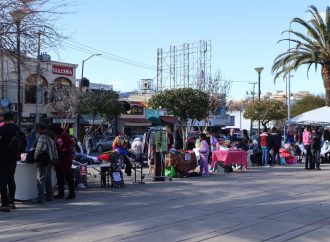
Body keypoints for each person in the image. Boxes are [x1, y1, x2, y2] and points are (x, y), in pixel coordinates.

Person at [0, 111, 20, 211]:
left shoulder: (2, 129)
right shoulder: (18, 128)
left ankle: (4, 204)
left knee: (2, 181)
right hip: (13, 158)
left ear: (4, 118)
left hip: (2, 158)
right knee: (11, 179)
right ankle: (11, 202)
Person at [34, 123, 58, 203]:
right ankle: (49, 196)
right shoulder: (51, 136)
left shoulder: (42, 137)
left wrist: (35, 157)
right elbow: (55, 149)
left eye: (36, 129)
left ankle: (40, 198)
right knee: (48, 179)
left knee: (40, 180)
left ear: (39, 129)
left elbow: (39, 149)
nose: (36, 131)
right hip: (50, 161)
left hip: (43, 161)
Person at [50, 125, 75, 199]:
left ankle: (71, 193)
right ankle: (61, 193)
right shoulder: (59, 136)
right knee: (59, 176)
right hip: (61, 159)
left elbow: (64, 148)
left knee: (68, 176)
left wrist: (58, 151)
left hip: (64, 159)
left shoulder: (62, 136)